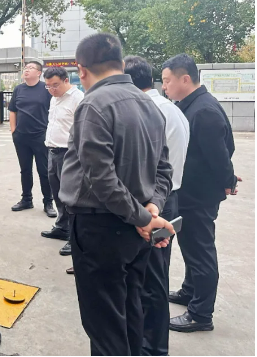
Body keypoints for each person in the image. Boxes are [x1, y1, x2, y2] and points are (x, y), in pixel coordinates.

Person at [59, 33, 175, 356]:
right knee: (130, 311)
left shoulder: (93, 105)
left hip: (100, 229)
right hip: (135, 231)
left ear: (81, 70)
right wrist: (152, 208)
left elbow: (101, 178)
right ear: (121, 64)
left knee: (105, 325)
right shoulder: (149, 105)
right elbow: (164, 169)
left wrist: (144, 217)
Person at [161, 53, 239, 333]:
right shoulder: (191, 105)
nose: (164, 87)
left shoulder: (203, 110)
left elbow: (221, 155)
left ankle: (201, 314)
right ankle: (189, 291)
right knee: (190, 247)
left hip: (198, 196)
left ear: (185, 79)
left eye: (167, 81)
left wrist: (228, 180)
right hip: (190, 191)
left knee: (200, 251)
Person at [125, 56, 190, 355]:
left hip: (153, 205)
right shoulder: (172, 109)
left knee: (149, 282)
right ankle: (154, 345)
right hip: (167, 197)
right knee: (156, 277)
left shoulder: (145, 110)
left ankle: (151, 348)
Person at [40, 66, 84, 262]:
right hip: (52, 151)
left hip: (69, 153)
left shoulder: (78, 99)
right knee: (57, 193)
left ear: (67, 80)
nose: (52, 90)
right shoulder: (54, 98)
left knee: (71, 197)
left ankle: (73, 238)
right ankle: (61, 227)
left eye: (55, 85)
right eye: (48, 86)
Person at [8, 61, 54, 216]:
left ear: (39, 73)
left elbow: (53, 110)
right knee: (25, 170)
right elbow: (12, 110)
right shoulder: (19, 89)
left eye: (31, 68)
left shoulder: (46, 89)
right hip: (21, 137)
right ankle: (26, 199)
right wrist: (14, 131)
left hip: (41, 136)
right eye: (26, 68)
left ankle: (48, 202)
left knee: (44, 170)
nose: (26, 70)